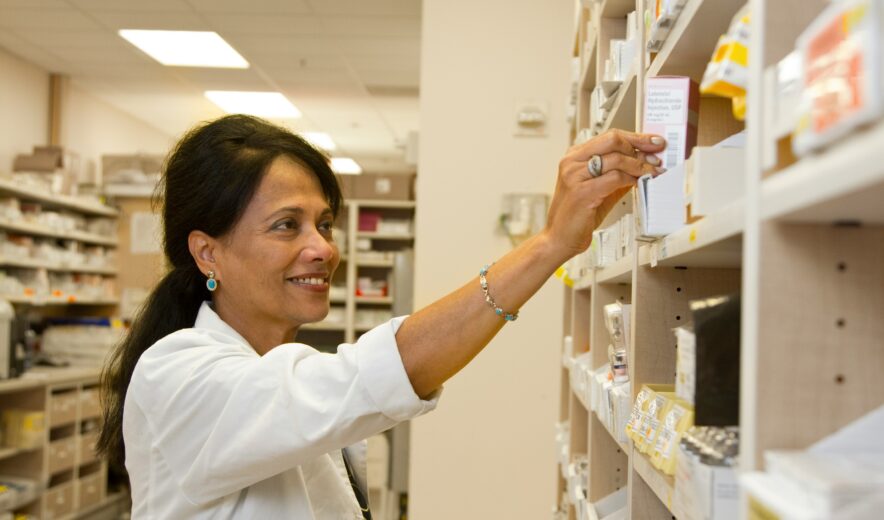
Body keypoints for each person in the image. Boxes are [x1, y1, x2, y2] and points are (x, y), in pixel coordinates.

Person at [97, 114, 666, 519]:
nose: (321, 247)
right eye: (286, 225)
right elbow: (372, 375)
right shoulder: (177, 376)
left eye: (323, 223)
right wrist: (548, 245)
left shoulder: (283, 369)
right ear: (208, 252)